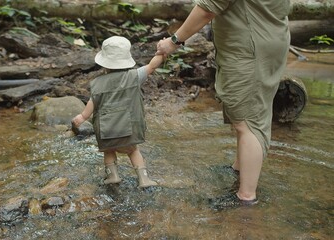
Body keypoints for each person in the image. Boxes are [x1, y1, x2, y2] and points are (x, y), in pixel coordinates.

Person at [156, 0, 290, 209]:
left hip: (250, 49)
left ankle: (245, 197)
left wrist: (174, 41)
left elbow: (207, 9)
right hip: (269, 38)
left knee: (248, 122)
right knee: (248, 113)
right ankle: (239, 169)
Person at [72, 36, 164, 188]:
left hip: (107, 129)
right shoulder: (134, 76)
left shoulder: (97, 83)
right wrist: (161, 52)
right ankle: (144, 179)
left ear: (105, 63)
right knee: (133, 150)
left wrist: (82, 117)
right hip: (129, 127)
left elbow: (92, 103)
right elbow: (152, 67)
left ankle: (113, 175)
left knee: (108, 151)